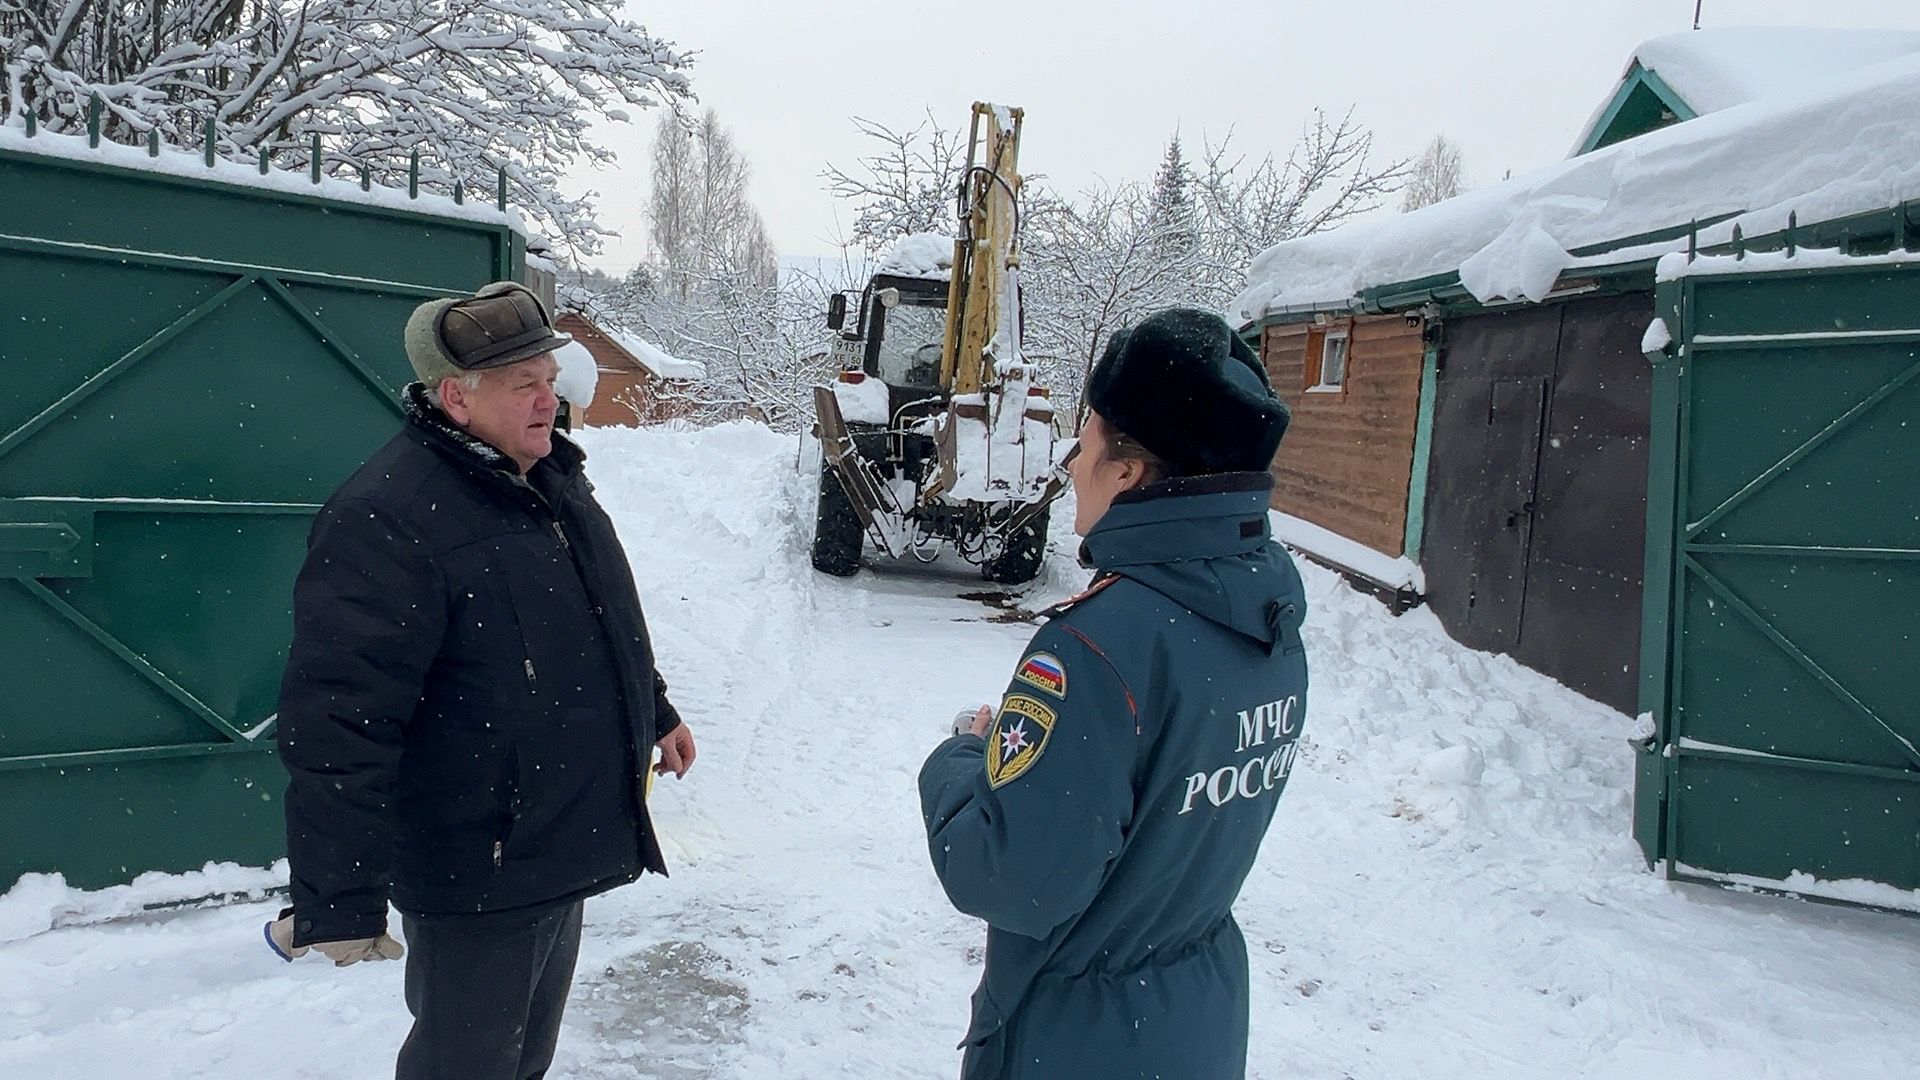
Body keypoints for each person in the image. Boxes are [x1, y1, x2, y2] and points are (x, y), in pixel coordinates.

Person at [267, 281, 697, 1080]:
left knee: (523, 1056)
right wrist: (340, 896)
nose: (548, 400)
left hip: (553, 838)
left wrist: (655, 713)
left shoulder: (545, 480)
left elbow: (598, 623)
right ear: (457, 400)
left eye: (548, 377)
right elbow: (339, 720)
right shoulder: (391, 515)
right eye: (522, 385)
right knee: (466, 1063)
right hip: (477, 860)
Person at [919, 307, 1308, 1080]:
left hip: (1074, 1040)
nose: (1068, 465)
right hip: (1191, 1021)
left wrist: (962, 760)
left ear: (1127, 470)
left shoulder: (1096, 646)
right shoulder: (1265, 617)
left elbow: (1014, 880)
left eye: (1084, 441)